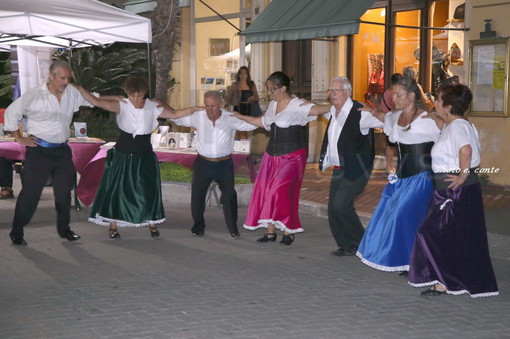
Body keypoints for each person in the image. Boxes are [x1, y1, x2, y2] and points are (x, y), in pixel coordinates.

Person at [74, 76, 200, 239]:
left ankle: (152, 221)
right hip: (122, 154)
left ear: (144, 93)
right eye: (132, 95)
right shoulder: (122, 105)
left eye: (138, 95)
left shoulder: (152, 107)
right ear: (128, 93)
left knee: (147, 189)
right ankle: (113, 224)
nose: (135, 99)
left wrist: (195, 108)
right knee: (117, 190)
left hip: (144, 155)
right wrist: (80, 88)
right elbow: (96, 102)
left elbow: (175, 114)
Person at [408, 84, 499, 298]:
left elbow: (465, 151)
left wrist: (462, 175)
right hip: (452, 189)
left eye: (438, 101)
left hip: (453, 190)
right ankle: (447, 280)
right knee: (454, 237)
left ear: (448, 106)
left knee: (429, 233)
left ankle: (443, 280)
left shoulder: (458, 127)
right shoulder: (456, 125)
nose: (435, 104)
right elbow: (454, 141)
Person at [233, 71, 330, 245]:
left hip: (292, 156)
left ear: (283, 88)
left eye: (272, 89)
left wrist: (338, 104)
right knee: (266, 191)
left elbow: (317, 110)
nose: (269, 93)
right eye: (268, 89)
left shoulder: (298, 104)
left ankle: (288, 229)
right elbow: (263, 123)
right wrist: (240, 117)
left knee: (279, 191)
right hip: (271, 156)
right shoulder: (272, 104)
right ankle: (271, 232)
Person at [356, 75, 441, 271]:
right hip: (402, 178)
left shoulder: (427, 119)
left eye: (398, 95)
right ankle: (412, 260)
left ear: (411, 96)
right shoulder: (395, 117)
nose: (393, 99)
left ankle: (418, 261)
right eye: (393, 94)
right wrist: (371, 110)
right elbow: (384, 117)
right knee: (400, 217)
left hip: (422, 177)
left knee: (401, 216)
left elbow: (449, 134)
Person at [3, 60, 90, 246]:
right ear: (51, 76)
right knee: (30, 194)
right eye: (62, 78)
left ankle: (64, 229)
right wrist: (19, 137)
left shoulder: (72, 93)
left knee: (64, 193)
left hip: (62, 152)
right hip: (38, 152)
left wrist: (126, 100)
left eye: (68, 78)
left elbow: (95, 100)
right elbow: (11, 113)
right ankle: (16, 232)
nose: (66, 82)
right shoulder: (34, 95)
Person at [169, 90, 257, 237]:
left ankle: (232, 227)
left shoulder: (230, 117)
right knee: (197, 196)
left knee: (229, 196)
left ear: (220, 104)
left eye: (213, 106)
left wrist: (243, 116)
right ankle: (198, 226)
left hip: (224, 163)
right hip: (203, 163)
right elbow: (175, 118)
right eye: (207, 106)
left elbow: (251, 125)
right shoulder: (198, 116)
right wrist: (161, 106)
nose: (210, 109)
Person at [319, 77, 383, 256]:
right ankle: (346, 245)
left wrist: (377, 111)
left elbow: (386, 122)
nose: (333, 94)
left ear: (348, 92)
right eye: (330, 91)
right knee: (333, 208)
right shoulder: (332, 111)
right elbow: (315, 110)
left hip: (357, 168)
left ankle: (363, 244)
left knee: (341, 205)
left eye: (337, 90)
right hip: (339, 168)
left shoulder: (361, 113)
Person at [375, 73, 404, 173]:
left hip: (386, 122)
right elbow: (395, 107)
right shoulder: (395, 93)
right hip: (394, 121)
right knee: (397, 145)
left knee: (389, 145)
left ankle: (388, 166)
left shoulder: (386, 92)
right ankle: (395, 167)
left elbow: (381, 106)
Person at [225, 66, 259, 140]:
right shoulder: (235, 84)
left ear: (248, 74)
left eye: (245, 73)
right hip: (238, 108)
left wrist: (253, 98)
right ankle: (238, 147)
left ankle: (244, 147)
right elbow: (228, 98)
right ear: (239, 74)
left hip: (248, 109)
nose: (243, 75)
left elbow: (257, 97)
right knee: (238, 130)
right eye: (241, 73)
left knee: (244, 130)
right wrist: (226, 106)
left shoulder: (251, 84)